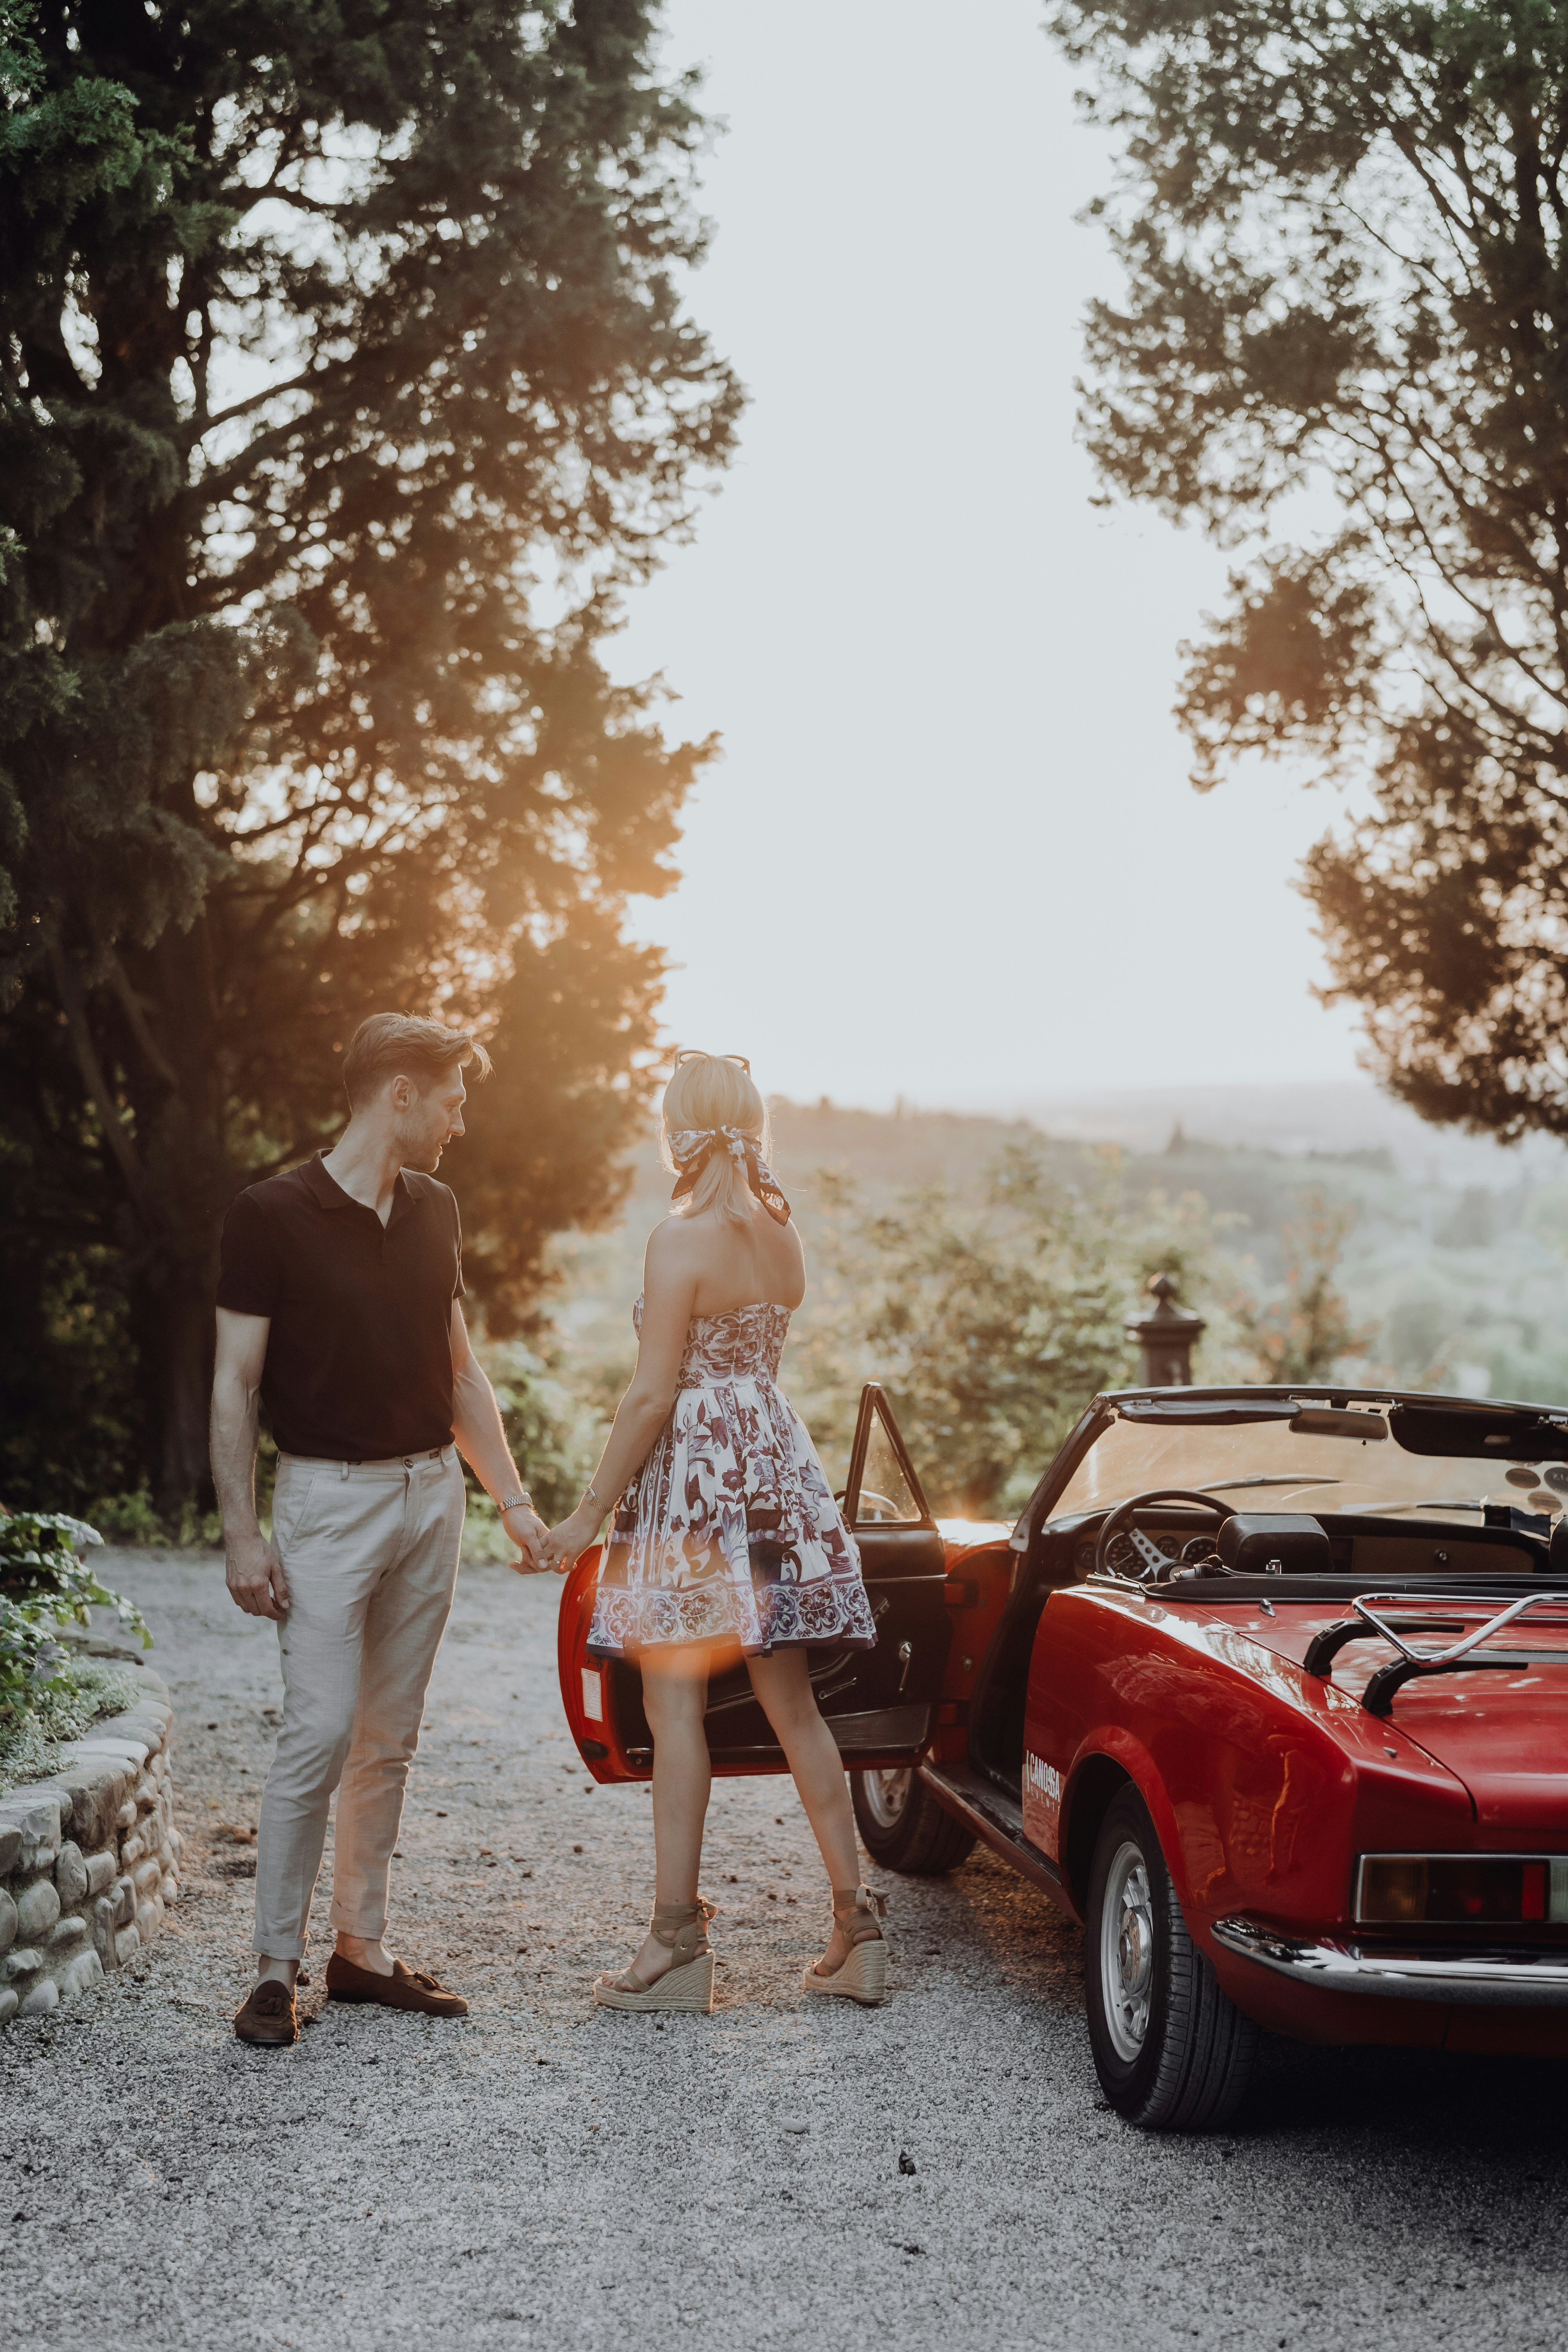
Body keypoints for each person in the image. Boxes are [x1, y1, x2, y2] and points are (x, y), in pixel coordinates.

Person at [211, 1012, 549, 2047]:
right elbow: (235, 1382)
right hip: (324, 1506)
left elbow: (459, 1374)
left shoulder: (437, 1208)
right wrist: (239, 1534)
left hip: (428, 1497)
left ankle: (360, 1953)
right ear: (397, 1094)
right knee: (316, 1731)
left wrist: (515, 1502)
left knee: (387, 1742)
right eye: (450, 1097)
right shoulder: (268, 1215)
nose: (459, 1118)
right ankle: (275, 1969)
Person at [540, 1051, 888, 2012]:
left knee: (675, 1708)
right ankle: (856, 1929)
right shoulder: (782, 1237)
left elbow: (654, 1391)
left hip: (694, 1491)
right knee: (794, 1708)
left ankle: (674, 1945)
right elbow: (753, 1365)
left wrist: (587, 1513)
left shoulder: (675, 1239)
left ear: (676, 1131)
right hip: (773, 1472)